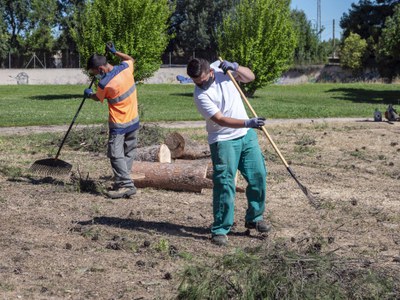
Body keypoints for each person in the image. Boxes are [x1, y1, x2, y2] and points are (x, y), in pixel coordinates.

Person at [186, 58, 270, 246]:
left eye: (202, 80)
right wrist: (248, 122)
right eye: (195, 81)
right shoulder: (200, 95)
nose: (200, 84)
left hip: (246, 136)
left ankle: (254, 218)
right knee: (225, 183)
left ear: (211, 72)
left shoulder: (223, 71)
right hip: (223, 140)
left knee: (258, 176)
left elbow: (250, 77)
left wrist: (236, 67)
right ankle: (221, 228)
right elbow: (221, 120)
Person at [84, 42, 138, 199]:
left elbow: (97, 97)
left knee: (115, 154)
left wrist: (89, 94)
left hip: (119, 124)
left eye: (95, 73)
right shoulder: (126, 68)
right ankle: (122, 182)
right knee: (128, 152)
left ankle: (127, 185)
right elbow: (130, 59)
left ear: (100, 69)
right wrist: (115, 52)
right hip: (134, 119)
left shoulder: (104, 83)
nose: (96, 76)